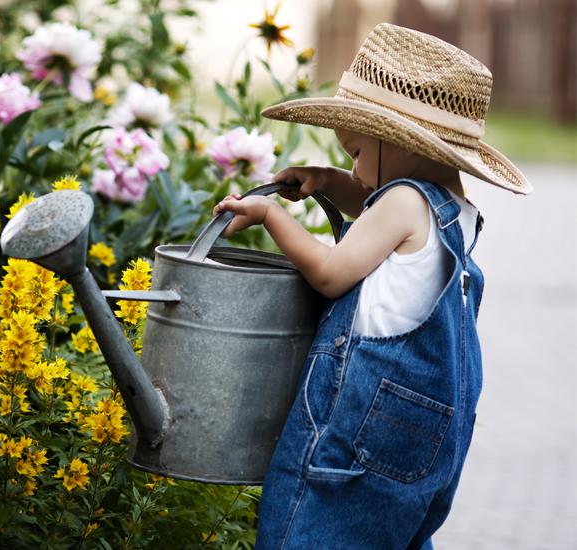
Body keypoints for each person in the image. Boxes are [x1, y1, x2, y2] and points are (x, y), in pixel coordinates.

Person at [212, 23, 532, 550]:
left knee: (310, 532)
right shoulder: (451, 211)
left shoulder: (402, 202)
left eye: (355, 152)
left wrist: (271, 214)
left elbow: (332, 273)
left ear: (397, 141)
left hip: (357, 438)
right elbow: (373, 204)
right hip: (421, 445)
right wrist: (327, 179)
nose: (353, 169)